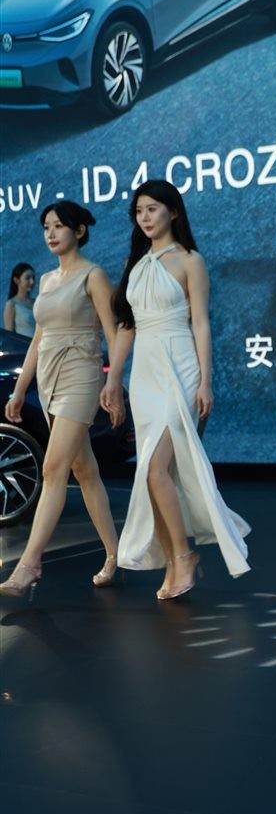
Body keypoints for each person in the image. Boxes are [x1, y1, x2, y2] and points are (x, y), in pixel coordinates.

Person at [100, 179, 249, 599]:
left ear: (173, 212)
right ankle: (173, 560)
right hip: (144, 375)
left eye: (153, 208)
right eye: (139, 211)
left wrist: (206, 381)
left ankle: (184, 556)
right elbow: (127, 326)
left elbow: (200, 323)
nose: (145, 217)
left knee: (155, 468)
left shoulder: (190, 261)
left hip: (179, 366)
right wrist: (113, 378)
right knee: (152, 475)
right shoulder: (135, 264)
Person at [1, 203, 120, 598]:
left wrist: (113, 383)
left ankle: (29, 564)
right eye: (46, 227)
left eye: (59, 226)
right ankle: (114, 554)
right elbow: (38, 338)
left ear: (79, 231)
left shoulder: (94, 275)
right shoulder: (48, 280)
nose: (50, 233)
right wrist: (20, 390)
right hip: (49, 379)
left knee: (54, 469)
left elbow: (112, 332)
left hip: (81, 375)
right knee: (84, 470)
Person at [4, 262, 36, 337]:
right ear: (16, 280)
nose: (32, 282)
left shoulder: (36, 302)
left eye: (33, 278)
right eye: (27, 278)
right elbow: (9, 335)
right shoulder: (12, 304)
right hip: (25, 344)